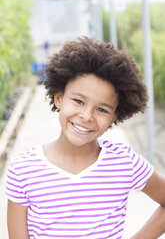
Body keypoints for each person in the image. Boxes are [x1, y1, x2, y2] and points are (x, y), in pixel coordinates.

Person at [6, 37, 165, 239]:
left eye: (101, 109)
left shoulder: (124, 162)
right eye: (79, 101)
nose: (87, 116)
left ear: (113, 117)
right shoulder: (23, 168)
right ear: (59, 98)